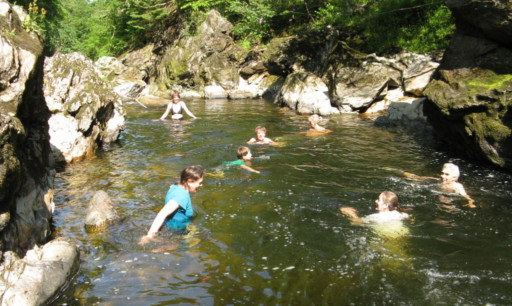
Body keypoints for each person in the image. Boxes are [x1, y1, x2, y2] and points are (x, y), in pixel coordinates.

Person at [139, 165, 205, 245]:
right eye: (200, 183)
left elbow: (173, 185)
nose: (201, 185)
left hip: (170, 225)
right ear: (189, 181)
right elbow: (161, 214)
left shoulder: (176, 186)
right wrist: (149, 236)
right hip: (175, 232)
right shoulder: (181, 196)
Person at [402, 163, 475, 208]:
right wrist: (404, 173)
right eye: (442, 173)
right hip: (436, 201)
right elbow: (418, 178)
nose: (443, 176)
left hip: (448, 205)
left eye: (447, 174)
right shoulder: (437, 180)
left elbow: (466, 196)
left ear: (454, 177)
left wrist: (470, 203)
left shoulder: (457, 186)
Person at [340, 191, 409, 225]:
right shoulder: (401, 214)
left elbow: (357, 222)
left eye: (379, 200)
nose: (376, 201)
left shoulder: (377, 217)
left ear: (385, 205)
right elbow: (409, 217)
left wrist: (351, 213)